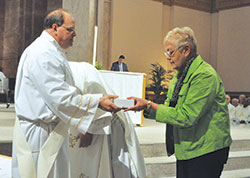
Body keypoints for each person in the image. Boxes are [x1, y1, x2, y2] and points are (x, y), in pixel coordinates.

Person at [12, 9, 121, 178]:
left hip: (48, 130)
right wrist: (97, 101)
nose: (74, 34)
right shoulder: (44, 53)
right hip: (41, 134)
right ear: (55, 28)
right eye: (70, 29)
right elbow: (60, 97)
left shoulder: (50, 50)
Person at [125, 27, 232, 178]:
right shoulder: (179, 76)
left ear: (186, 50)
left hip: (206, 151)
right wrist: (144, 108)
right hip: (187, 149)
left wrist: (149, 105)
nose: (167, 57)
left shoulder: (204, 75)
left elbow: (187, 117)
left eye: (170, 51)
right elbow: (170, 110)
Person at [68, 61, 147, 178]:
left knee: (111, 167)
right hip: (90, 124)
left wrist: (89, 129)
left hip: (105, 124)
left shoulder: (81, 69)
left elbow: (97, 95)